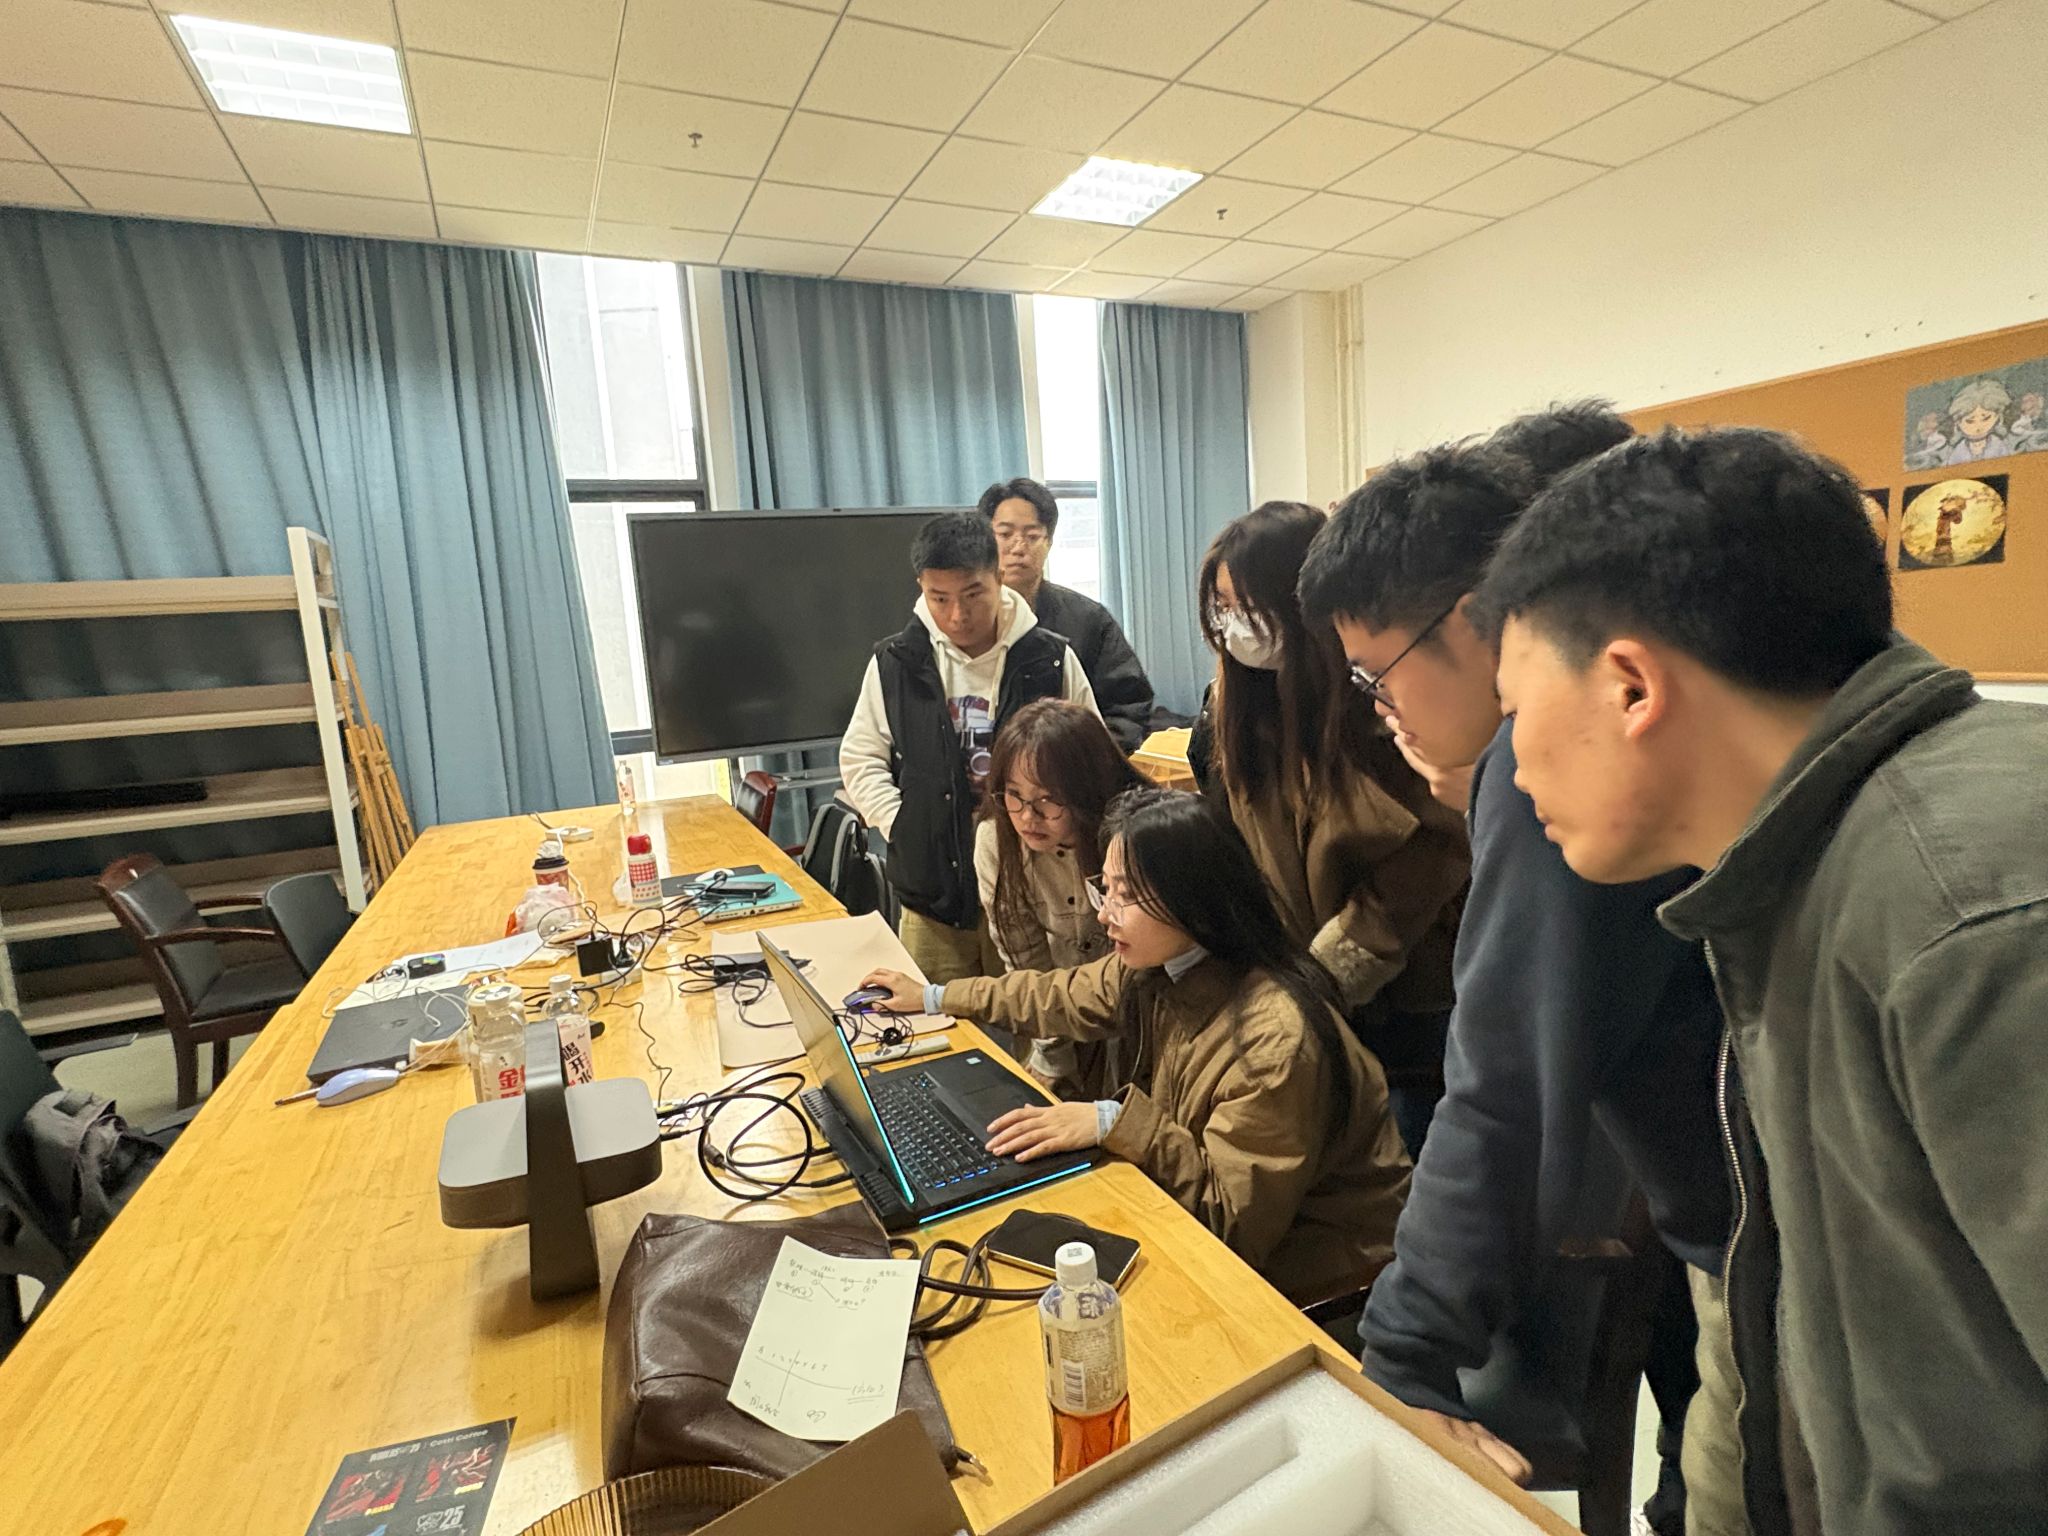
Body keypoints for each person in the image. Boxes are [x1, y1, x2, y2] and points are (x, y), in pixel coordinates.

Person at [1478, 425, 2048, 1536]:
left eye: (1514, 711)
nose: (1513, 765)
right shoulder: (1803, 869)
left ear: (1630, 685)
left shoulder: (1968, 913)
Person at [1297, 405, 1737, 1536]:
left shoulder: (1557, 761)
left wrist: (1403, 1354)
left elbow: (1500, 1087)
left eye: (1376, 677)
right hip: (1734, 1218)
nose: (1378, 711)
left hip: (1762, 1246)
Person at [862, 787, 1411, 1305]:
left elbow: (1232, 1224)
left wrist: (1113, 1122)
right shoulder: (1167, 963)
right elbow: (1056, 994)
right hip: (1219, 1231)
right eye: (1106, 888)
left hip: (1323, 1271)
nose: (1104, 913)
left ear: (1192, 899)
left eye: (1125, 896)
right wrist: (933, 997)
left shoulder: (1274, 1040)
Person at [1199, 501, 1469, 1153]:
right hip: (1299, 983)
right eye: (1222, 607)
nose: (1234, 627)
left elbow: (1431, 860)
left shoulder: (1379, 707)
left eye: (1248, 607)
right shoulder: (1237, 708)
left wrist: (1323, 976)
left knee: (1407, 1153)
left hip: (1408, 993)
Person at [840, 512, 1097, 983]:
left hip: (1032, 892)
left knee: (1034, 1012)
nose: (957, 615)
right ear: (921, 587)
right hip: (934, 898)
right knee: (932, 1018)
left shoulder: (1050, 658)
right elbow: (861, 757)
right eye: (939, 598)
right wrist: (905, 826)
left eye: (973, 594)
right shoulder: (897, 662)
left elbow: (1090, 756)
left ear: (998, 577)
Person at [974, 699, 1144, 1097]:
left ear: (1086, 790)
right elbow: (1025, 964)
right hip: (1056, 1010)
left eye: (1047, 799)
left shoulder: (1132, 837)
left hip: (1141, 1013)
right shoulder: (996, 843)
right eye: (1013, 795)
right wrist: (1053, 1058)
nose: (1027, 817)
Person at [978, 478, 1156, 752]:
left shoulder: (1088, 620)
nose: (1018, 547)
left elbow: (1128, 708)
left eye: (1032, 536)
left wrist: (1085, 761)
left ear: (1048, 542)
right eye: (1004, 534)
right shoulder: (960, 621)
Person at [1940, 375, 2014, 464]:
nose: (1978, 427)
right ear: (1957, 422)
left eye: (1986, 418)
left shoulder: (1998, 445)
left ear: (1998, 416)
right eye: (1970, 421)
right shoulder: (1958, 451)